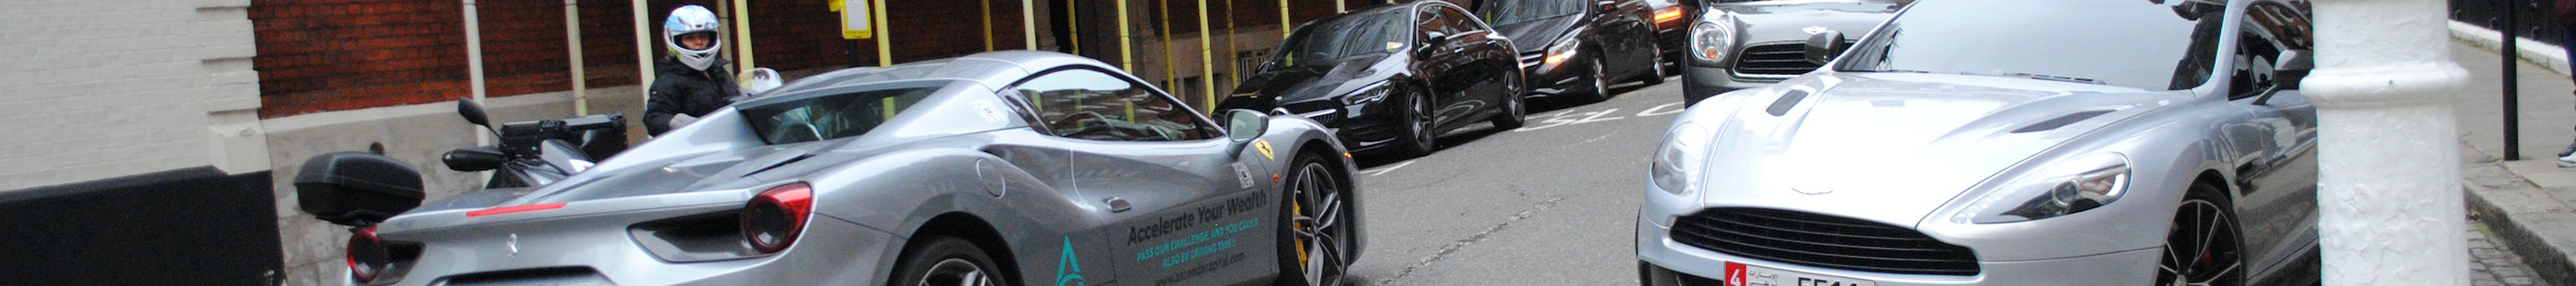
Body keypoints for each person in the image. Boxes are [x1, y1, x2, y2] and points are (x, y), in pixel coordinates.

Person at [645, 4, 740, 136]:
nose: (699, 42)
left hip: (729, 137)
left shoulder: (718, 71)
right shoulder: (668, 81)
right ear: (677, 40)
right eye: (690, 38)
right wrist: (674, 122)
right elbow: (654, 118)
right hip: (697, 144)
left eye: (703, 36)